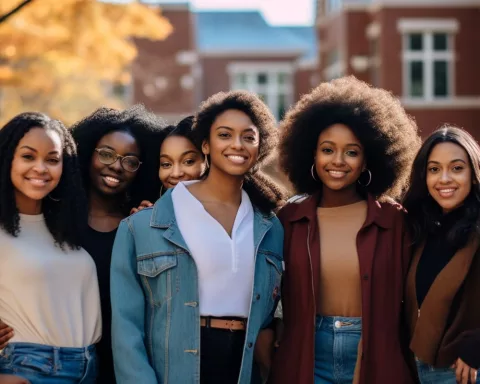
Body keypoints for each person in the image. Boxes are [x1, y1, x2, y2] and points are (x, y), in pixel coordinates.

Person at [110, 90, 285, 383]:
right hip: (174, 368)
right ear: (206, 144)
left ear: (259, 146)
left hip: (244, 368)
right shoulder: (140, 227)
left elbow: (270, 317)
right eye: (225, 135)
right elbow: (126, 329)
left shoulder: (270, 227)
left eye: (248, 137)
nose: (237, 145)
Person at [269, 76, 421, 384]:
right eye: (328, 150)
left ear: (368, 159)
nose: (338, 161)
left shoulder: (395, 222)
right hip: (307, 355)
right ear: (312, 153)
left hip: (377, 354)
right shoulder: (288, 219)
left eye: (351, 152)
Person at [0, 112, 101, 383]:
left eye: (52, 159)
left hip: (87, 367)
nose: (41, 168)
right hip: (26, 369)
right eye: (28, 156)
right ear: (7, 158)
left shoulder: (67, 228)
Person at [70, 105, 163, 383]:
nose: (116, 166)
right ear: (87, 154)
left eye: (130, 161)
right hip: (66, 361)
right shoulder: (58, 220)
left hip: (129, 364)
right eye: (106, 154)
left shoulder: (142, 225)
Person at [403, 126, 480, 384]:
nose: (444, 178)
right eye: (434, 169)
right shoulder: (421, 229)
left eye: (457, 168)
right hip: (420, 368)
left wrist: (476, 346)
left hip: (465, 370)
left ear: (474, 173)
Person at [130, 115, 205, 214]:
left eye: (188, 161)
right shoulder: (147, 216)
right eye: (166, 164)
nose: (176, 173)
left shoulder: (227, 215)